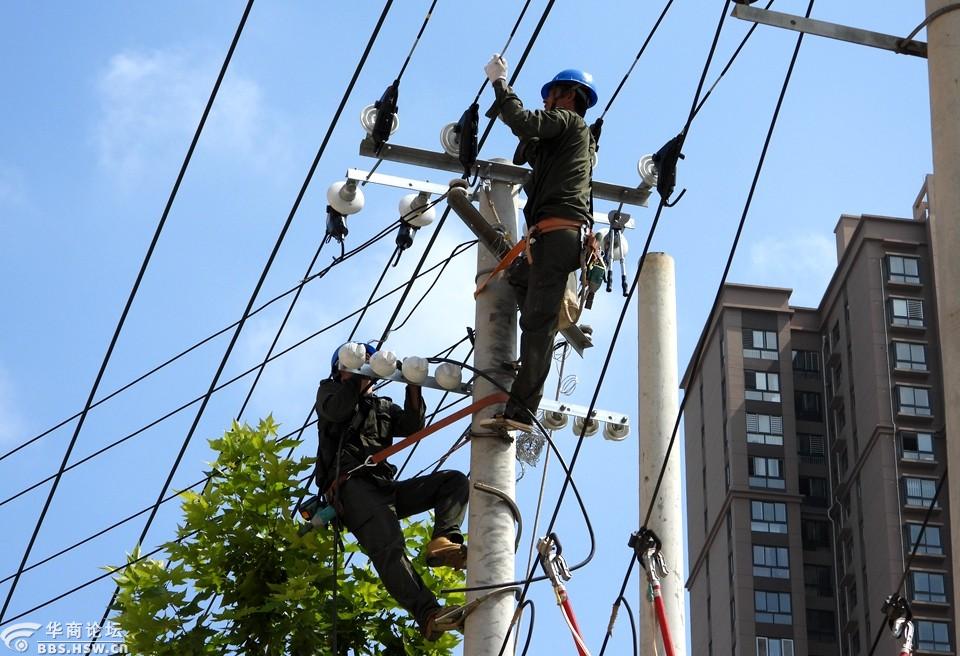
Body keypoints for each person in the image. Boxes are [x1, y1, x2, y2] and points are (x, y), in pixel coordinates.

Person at [315, 342, 469, 641]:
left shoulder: (382, 406)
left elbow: (413, 425)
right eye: (355, 368)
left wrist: (413, 384)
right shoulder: (330, 392)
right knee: (389, 548)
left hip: (382, 486)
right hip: (351, 488)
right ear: (341, 371)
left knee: (452, 482)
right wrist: (357, 379)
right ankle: (428, 614)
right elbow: (336, 412)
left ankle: (443, 540)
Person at [482, 55, 598, 432]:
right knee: (519, 280)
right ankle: (532, 356)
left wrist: (501, 84)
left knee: (538, 327)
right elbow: (530, 140)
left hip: (556, 237)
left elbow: (525, 121)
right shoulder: (569, 141)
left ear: (569, 96)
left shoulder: (569, 122)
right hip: (550, 239)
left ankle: (521, 410)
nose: (546, 101)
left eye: (551, 96)